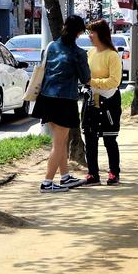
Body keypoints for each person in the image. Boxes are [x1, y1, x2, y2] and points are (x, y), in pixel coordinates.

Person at [33, 15, 91, 193]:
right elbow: (86, 78)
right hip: (64, 100)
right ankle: (47, 182)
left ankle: (64, 177)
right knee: (59, 144)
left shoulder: (50, 47)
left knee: (61, 140)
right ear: (79, 32)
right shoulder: (78, 53)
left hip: (46, 98)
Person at [82, 19, 123, 186]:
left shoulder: (112, 55)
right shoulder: (90, 53)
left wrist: (92, 82)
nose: (90, 36)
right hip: (91, 100)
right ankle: (93, 174)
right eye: (89, 32)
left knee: (109, 139)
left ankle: (114, 172)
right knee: (90, 139)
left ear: (101, 34)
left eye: (92, 32)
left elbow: (114, 81)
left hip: (109, 102)